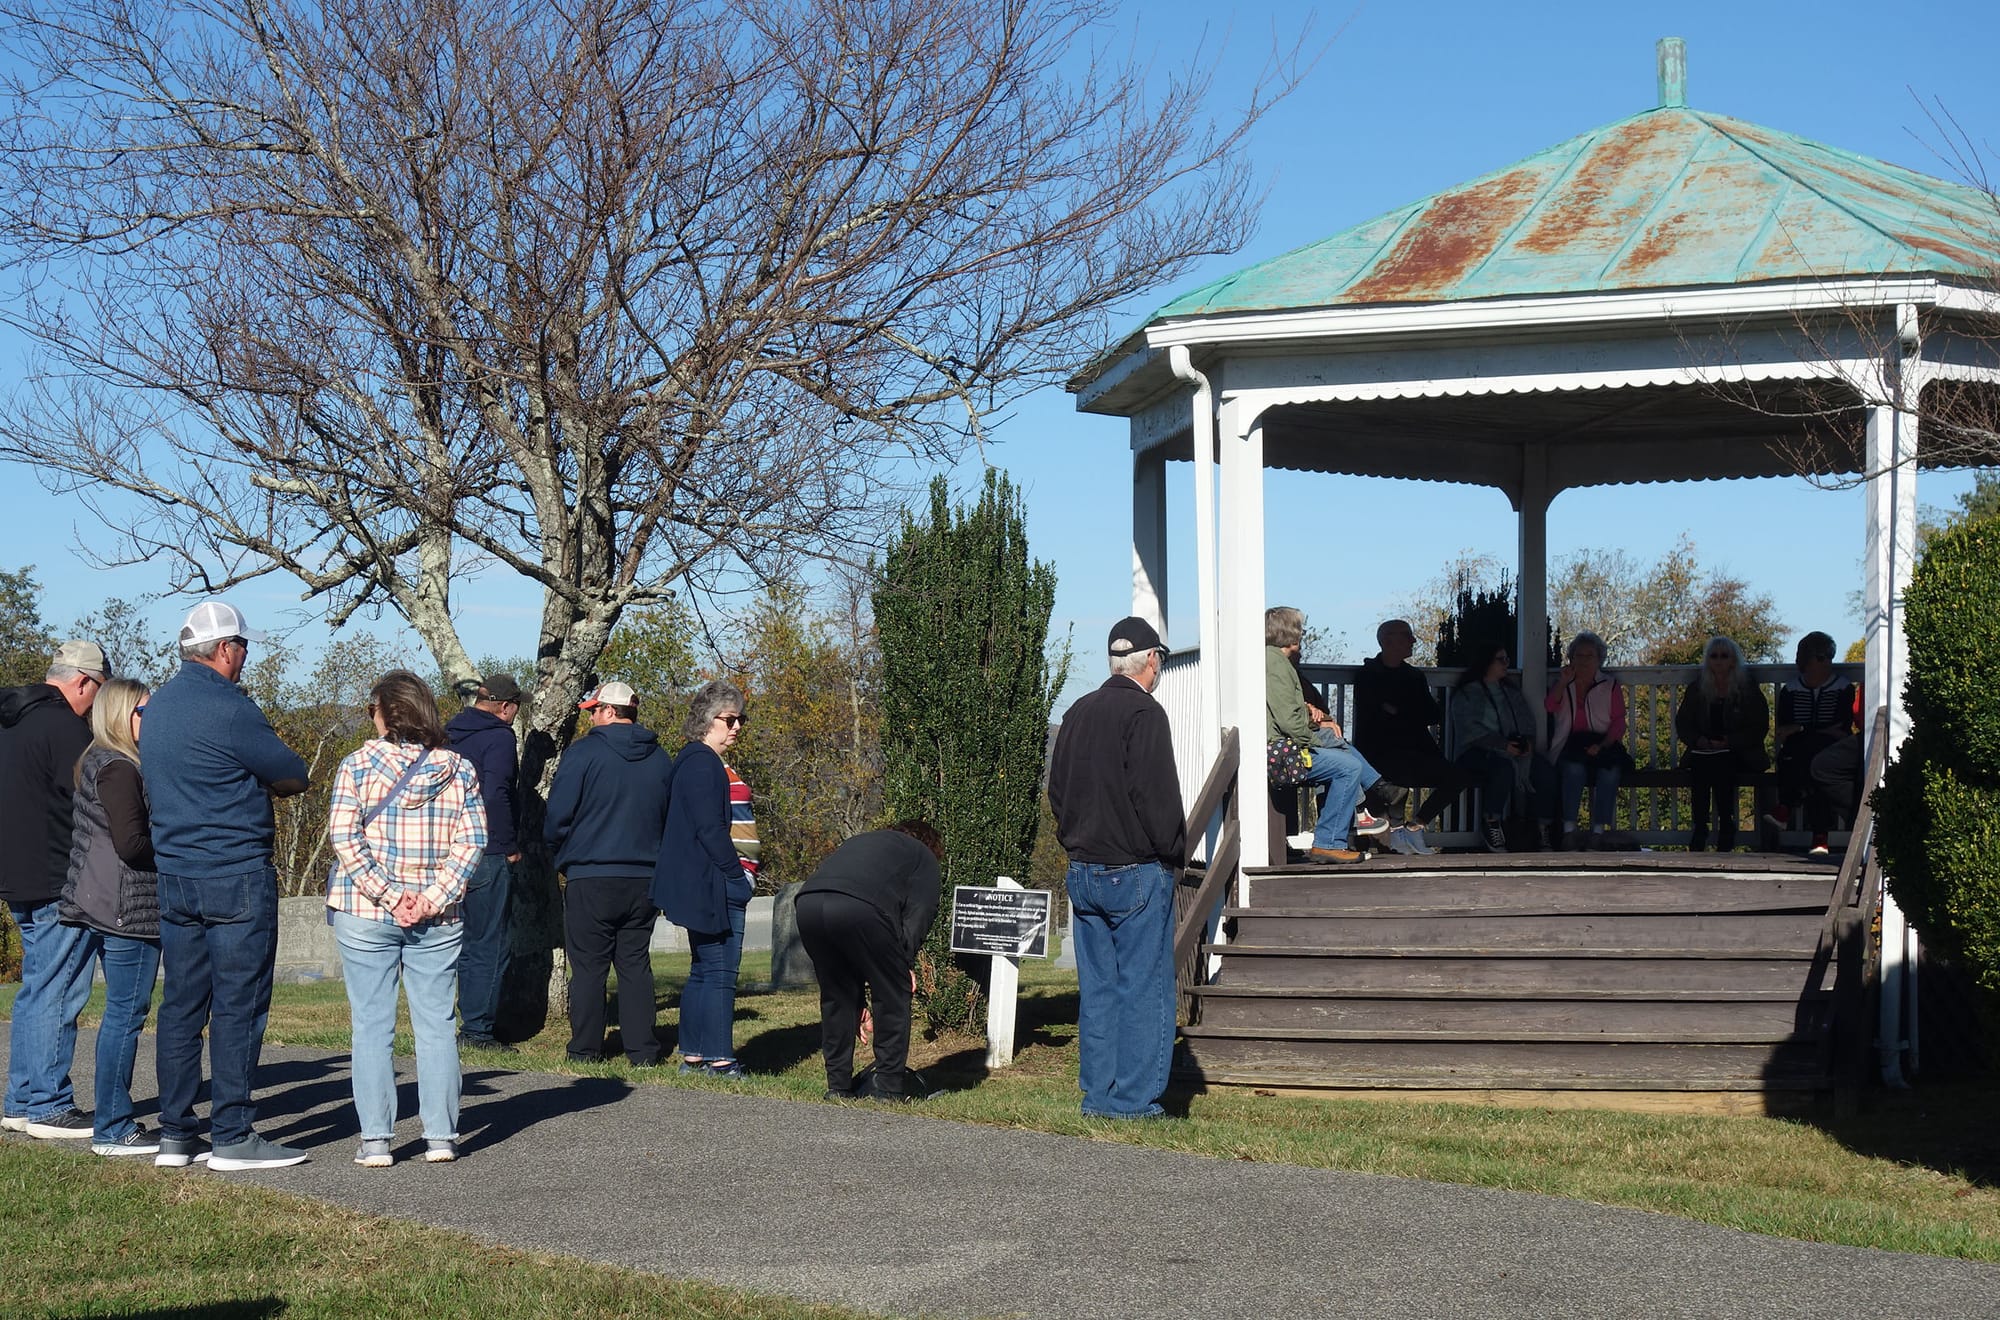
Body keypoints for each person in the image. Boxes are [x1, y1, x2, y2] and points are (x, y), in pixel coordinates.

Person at [141, 600, 311, 1171]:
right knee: (239, 1006)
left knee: (182, 1005)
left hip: (176, 875)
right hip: (234, 872)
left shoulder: (159, 705)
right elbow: (293, 772)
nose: (244, 658)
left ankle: (175, 1132)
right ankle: (233, 1134)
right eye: (243, 647)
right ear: (223, 650)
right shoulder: (232, 708)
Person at [329, 671, 486, 1166]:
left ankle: (376, 1139)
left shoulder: (356, 764)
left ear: (383, 711)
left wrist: (389, 895)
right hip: (438, 917)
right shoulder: (459, 770)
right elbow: (473, 841)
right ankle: (440, 1135)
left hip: (365, 910)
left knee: (372, 1025)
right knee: (437, 1023)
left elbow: (345, 839)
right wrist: (432, 897)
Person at [1046, 615, 1185, 1119]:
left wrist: (1075, 840)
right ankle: (1132, 1102)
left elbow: (1057, 792)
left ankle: (1098, 1097)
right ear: (1151, 661)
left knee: (1099, 991)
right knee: (1145, 988)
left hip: (1083, 870)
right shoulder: (1145, 714)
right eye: (1160, 661)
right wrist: (1173, 851)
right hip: (1135, 870)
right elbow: (1157, 799)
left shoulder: (1078, 712)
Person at [1, 639, 108, 1140]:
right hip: (56, 876)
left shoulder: (11, 721)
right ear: (83, 680)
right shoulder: (64, 727)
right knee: (57, 990)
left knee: (35, 989)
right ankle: (48, 1104)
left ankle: (20, 1100)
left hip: (15, 875)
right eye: (98, 690)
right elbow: (92, 797)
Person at [58, 677, 164, 1155]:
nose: (152, 718)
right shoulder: (120, 768)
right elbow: (132, 844)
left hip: (102, 899)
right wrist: (180, 846)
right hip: (127, 906)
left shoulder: (97, 759)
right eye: (144, 711)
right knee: (125, 1013)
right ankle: (114, 1126)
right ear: (122, 715)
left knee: (118, 1012)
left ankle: (111, 1121)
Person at [544, 679, 674, 1067]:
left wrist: (559, 853)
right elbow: (668, 818)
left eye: (595, 710)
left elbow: (557, 816)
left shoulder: (583, 755)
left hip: (591, 874)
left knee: (588, 967)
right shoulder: (660, 758)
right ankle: (643, 1051)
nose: (591, 718)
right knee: (635, 963)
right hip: (644, 876)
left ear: (611, 712)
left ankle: (585, 1049)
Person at [794, 821, 943, 1103]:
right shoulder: (923, 857)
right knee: (892, 993)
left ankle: (838, 1087)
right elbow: (921, 913)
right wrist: (904, 962)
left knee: (837, 997)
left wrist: (857, 999)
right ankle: (887, 1089)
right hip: (859, 906)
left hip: (808, 904)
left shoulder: (865, 842)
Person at [653, 680, 755, 1078]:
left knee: (703, 967)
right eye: (730, 719)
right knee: (720, 972)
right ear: (708, 719)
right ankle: (721, 1059)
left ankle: (694, 1055)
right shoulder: (701, 762)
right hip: (713, 883)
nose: (736, 728)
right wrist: (736, 875)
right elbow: (709, 829)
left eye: (740, 720)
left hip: (704, 881)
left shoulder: (694, 761)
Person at [1265, 606, 1390, 864]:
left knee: (1343, 756)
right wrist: (1313, 738)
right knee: (1347, 766)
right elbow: (1289, 720)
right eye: (1301, 629)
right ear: (1292, 635)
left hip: (1285, 743)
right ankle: (1331, 841)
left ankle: (1364, 806)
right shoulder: (1275, 665)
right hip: (1281, 751)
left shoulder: (1275, 662)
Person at [445, 672, 523, 1051]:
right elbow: (496, 792)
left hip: (444, 849)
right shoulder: (499, 737)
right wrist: (507, 843)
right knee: (489, 943)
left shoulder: (448, 733)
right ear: (505, 707)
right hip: (486, 849)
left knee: (454, 940)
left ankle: (447, 1021)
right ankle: (477, 1030)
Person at [1353, 619, 1476, 855]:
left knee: (1459, 776)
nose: (1413, 640)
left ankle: (1414, 826)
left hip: (1417, 753)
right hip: (1380, 754)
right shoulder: (1367, 675)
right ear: (1388, 641)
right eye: (1407, 635)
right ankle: (1389, 837)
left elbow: (1432, 714)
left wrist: (1397, 711)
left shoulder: (1414, 676)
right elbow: (1376, 717)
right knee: (1395, 787)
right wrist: (1407, 713)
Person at [1450, 643, 1555, 852]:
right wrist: (1501, 745)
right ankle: (1492, 823)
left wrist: (1527, 743)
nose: (1506, 664)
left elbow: (1527, 721)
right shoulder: (1468, 694)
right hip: (1478, 751)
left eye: (1507, 659)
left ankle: (1544, 828)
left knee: (1544, 771)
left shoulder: (1510, 692)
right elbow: (1469, 730)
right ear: (1486, 662)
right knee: (1502, 769)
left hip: (1514, 749)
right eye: (1501, 659)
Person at [1674, 636, 1770, 852]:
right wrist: (1698, 740)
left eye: (1724, 656)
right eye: (1713, 656)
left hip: (1740, 753)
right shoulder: (1697, 688)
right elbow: (1684, 723)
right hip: (1704, 750)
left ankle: (1726, 825)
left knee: (1721, 764)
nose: (1718, 661)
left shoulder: (1747, 689)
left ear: (1733, 660)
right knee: (1701, 765)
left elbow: (1758, 726)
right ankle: (1700, 826)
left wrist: (1730, 741)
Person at [1768, 631, 1859, 857]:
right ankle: (1820, 836)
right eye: (1820, 657)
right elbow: (1783, 729)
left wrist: (1801, 728)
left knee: (1816, 764)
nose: (1827, 662)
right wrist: (1805, 729)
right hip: (1799, 748)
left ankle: (1786, 808)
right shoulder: (1791, 689)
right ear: (1806, 660)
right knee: (1803, 760)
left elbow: (1841, 725)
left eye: (1829, 656)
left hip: (1827, 747)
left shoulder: (1843, 687)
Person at [1544, 631, 1628, 849]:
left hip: (1602, 744)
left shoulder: (1609, 685)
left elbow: (1619, 721)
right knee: (1573, 770)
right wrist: (1563, 682)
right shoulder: (1565, 683)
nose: (1583, 661)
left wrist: (1603, 745)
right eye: (1578, 656)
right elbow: (1550, 706)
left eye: (1589, 656)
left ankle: (1598, 831)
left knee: (1609, 773)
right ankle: (1569, 830)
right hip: (1570, 745)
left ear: (1599, 658)